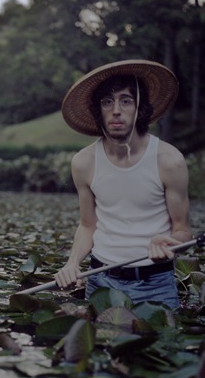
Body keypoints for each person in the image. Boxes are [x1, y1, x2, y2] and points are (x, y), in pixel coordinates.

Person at [54, 60, 192, 309]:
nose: (116, 110)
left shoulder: (170, 161)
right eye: (108, 101)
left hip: (156, 284)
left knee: (164, 347)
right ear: (99, 110)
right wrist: (72, 263)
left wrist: (170, 243)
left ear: (139, 108)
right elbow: (87, 226)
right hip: (101, 283)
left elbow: (183, 230)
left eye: (126, 100)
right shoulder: (83, 163)